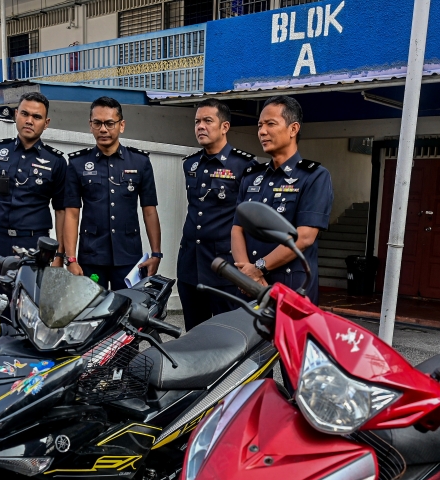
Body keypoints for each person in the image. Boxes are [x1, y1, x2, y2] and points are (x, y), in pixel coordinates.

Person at [231, 95, 333, 304]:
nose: (262, 131)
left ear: (293, 129)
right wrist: (246, 273)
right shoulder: (252, 176)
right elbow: (237, 228)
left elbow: (304, 237)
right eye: (260, 125)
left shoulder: (314, 176)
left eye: (270, 124)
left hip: (291, 287)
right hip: (250, 287)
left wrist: (258, 267)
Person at [63, 96, 162, 290]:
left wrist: (156, 254)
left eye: (109, 123)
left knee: (127, 315)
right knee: (91, 315)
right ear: (90, 125)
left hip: (129, 258)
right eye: (97, 123)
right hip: (91, 258)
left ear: (121, 125)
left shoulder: (140, 163)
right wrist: (71, 259)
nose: (103, 129)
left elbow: (149, 211)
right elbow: (72, 214)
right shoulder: (77, 164)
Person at [177, 100, 258, 330]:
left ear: (225, 127)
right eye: (197, 122)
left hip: (226, 268)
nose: (200, 126)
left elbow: (249, 222)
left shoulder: (244, 165)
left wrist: (247, 266)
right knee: (195, 337)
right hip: (191, 266)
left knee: (230, 337)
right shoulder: (190, 164)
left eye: (207, 121)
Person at [0, 92, 67, 263]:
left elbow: (61, 210)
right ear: (16, 114)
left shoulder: (56, 161)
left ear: (46, 123)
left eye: (37, 117)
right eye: (25, 114)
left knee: (32, 290)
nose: (29, 121)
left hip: (35, 245)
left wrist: (59, 255)